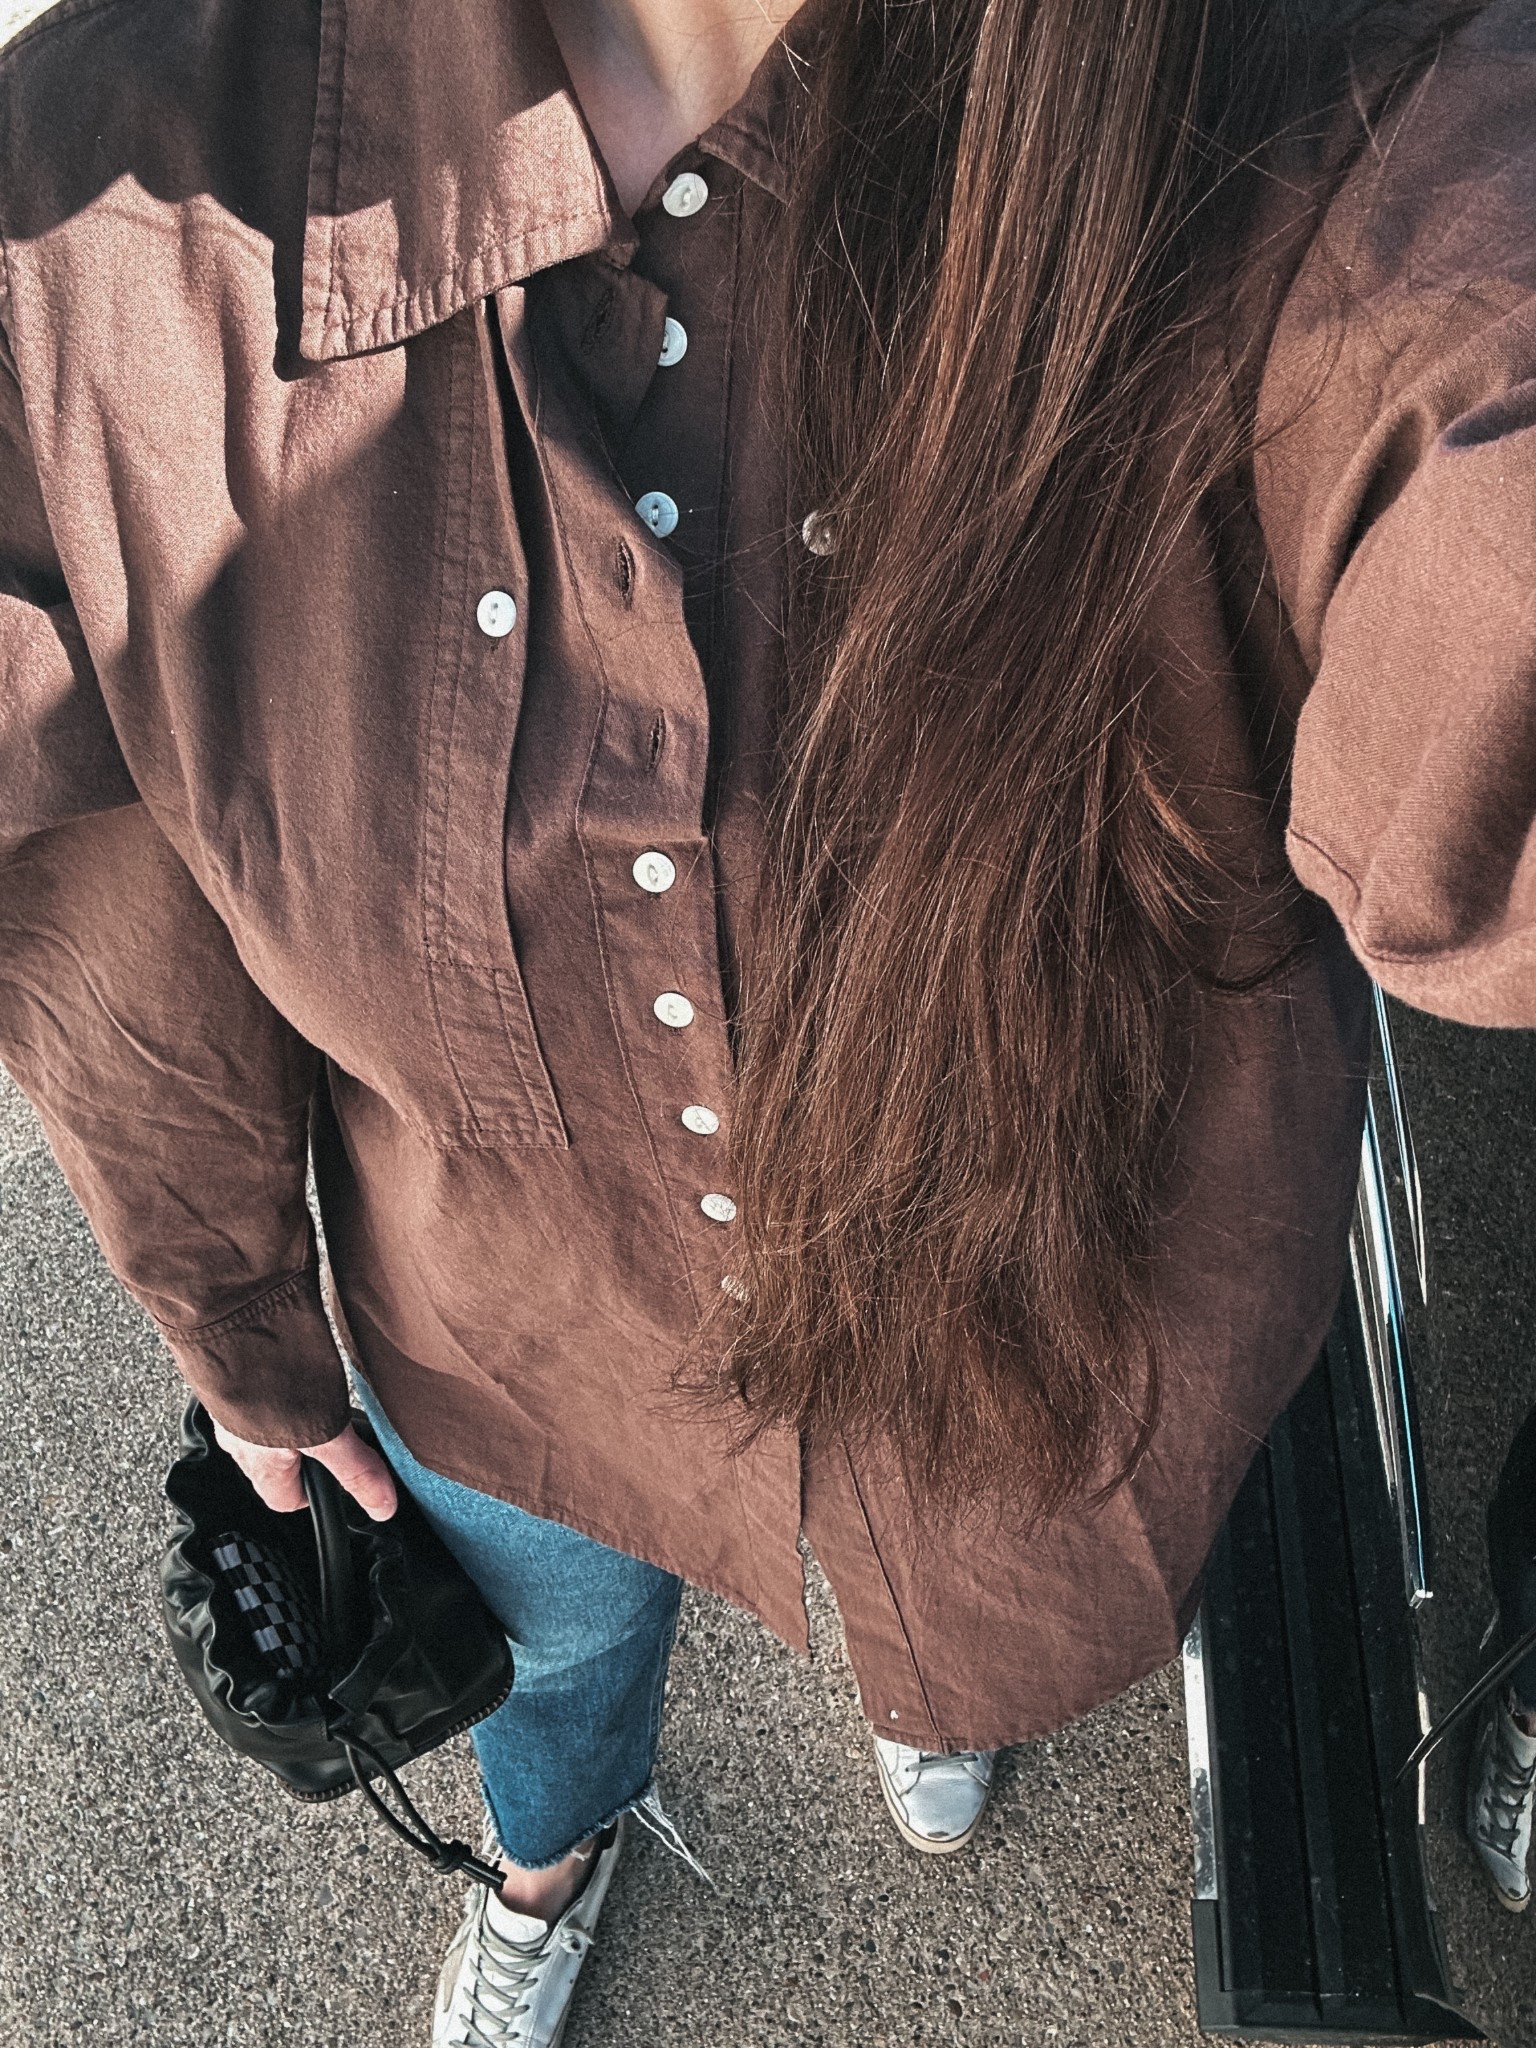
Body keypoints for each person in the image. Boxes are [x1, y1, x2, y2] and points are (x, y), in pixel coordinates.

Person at [1, 0, 1533, 2036]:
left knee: (955, 1615)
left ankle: (922, 1678)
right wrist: (242, 1331)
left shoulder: (1324, 103)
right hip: (516, 1341)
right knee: (553, 1665)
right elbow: (110, 904)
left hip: (1021, 1362)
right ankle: (551, 1852)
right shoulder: (101, 210)